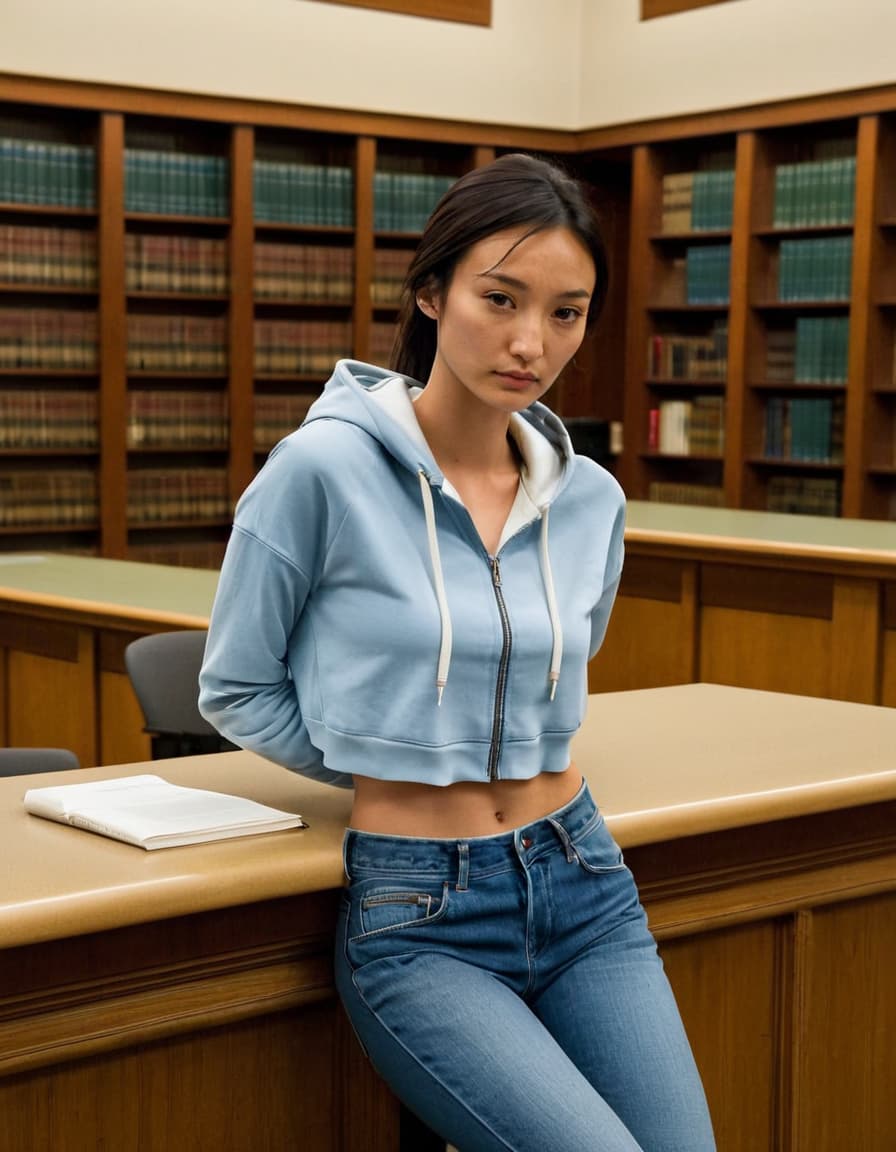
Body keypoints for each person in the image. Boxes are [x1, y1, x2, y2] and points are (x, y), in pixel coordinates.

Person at [198, 153, 716, 1152]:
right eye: (500, 298)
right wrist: (389, 752)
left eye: (566, 313)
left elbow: (553, 673)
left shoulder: (592, 499)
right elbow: (235, 683)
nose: (530, 342)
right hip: (420, 909)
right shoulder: (321, 469)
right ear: (430, 292)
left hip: (582, 879)